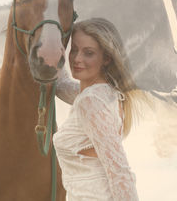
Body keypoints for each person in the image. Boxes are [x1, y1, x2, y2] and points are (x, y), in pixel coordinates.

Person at [53, 18, 148, 200]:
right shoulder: (105, 94)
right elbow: (63, 87)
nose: (77, 59)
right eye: (74, 50)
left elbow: (120, 172)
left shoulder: (92, 101)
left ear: (106, 58)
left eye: (88, 53)